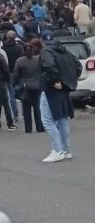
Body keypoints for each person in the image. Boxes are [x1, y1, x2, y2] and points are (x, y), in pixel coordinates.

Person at [39, 33, 82, 162]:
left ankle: (57, 150)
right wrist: (69, 82)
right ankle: (65, 150)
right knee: (62, 119)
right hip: (64, 90)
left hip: (50, 89)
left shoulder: (46, 51)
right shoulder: (65, 51)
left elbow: (49, 66)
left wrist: (55, 81)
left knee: (48, 120)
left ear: (42, 40)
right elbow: (78, 66)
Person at [13, 43, 44, 134]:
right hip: (37, 86)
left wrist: (17, 83)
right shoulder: (38, 59)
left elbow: (15, 75)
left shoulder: (20, 61)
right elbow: (42, 71)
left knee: (26, 109)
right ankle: (40, 127)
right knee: (37, 108)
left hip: (25, 87)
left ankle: (28, 128)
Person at [1, 31, 23, 123]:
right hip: (18, 72)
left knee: (11, 94)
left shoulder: (3, 48)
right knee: (22, 92)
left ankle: (15, 114)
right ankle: (25, 112)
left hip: (8, 72)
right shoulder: (19, 47)